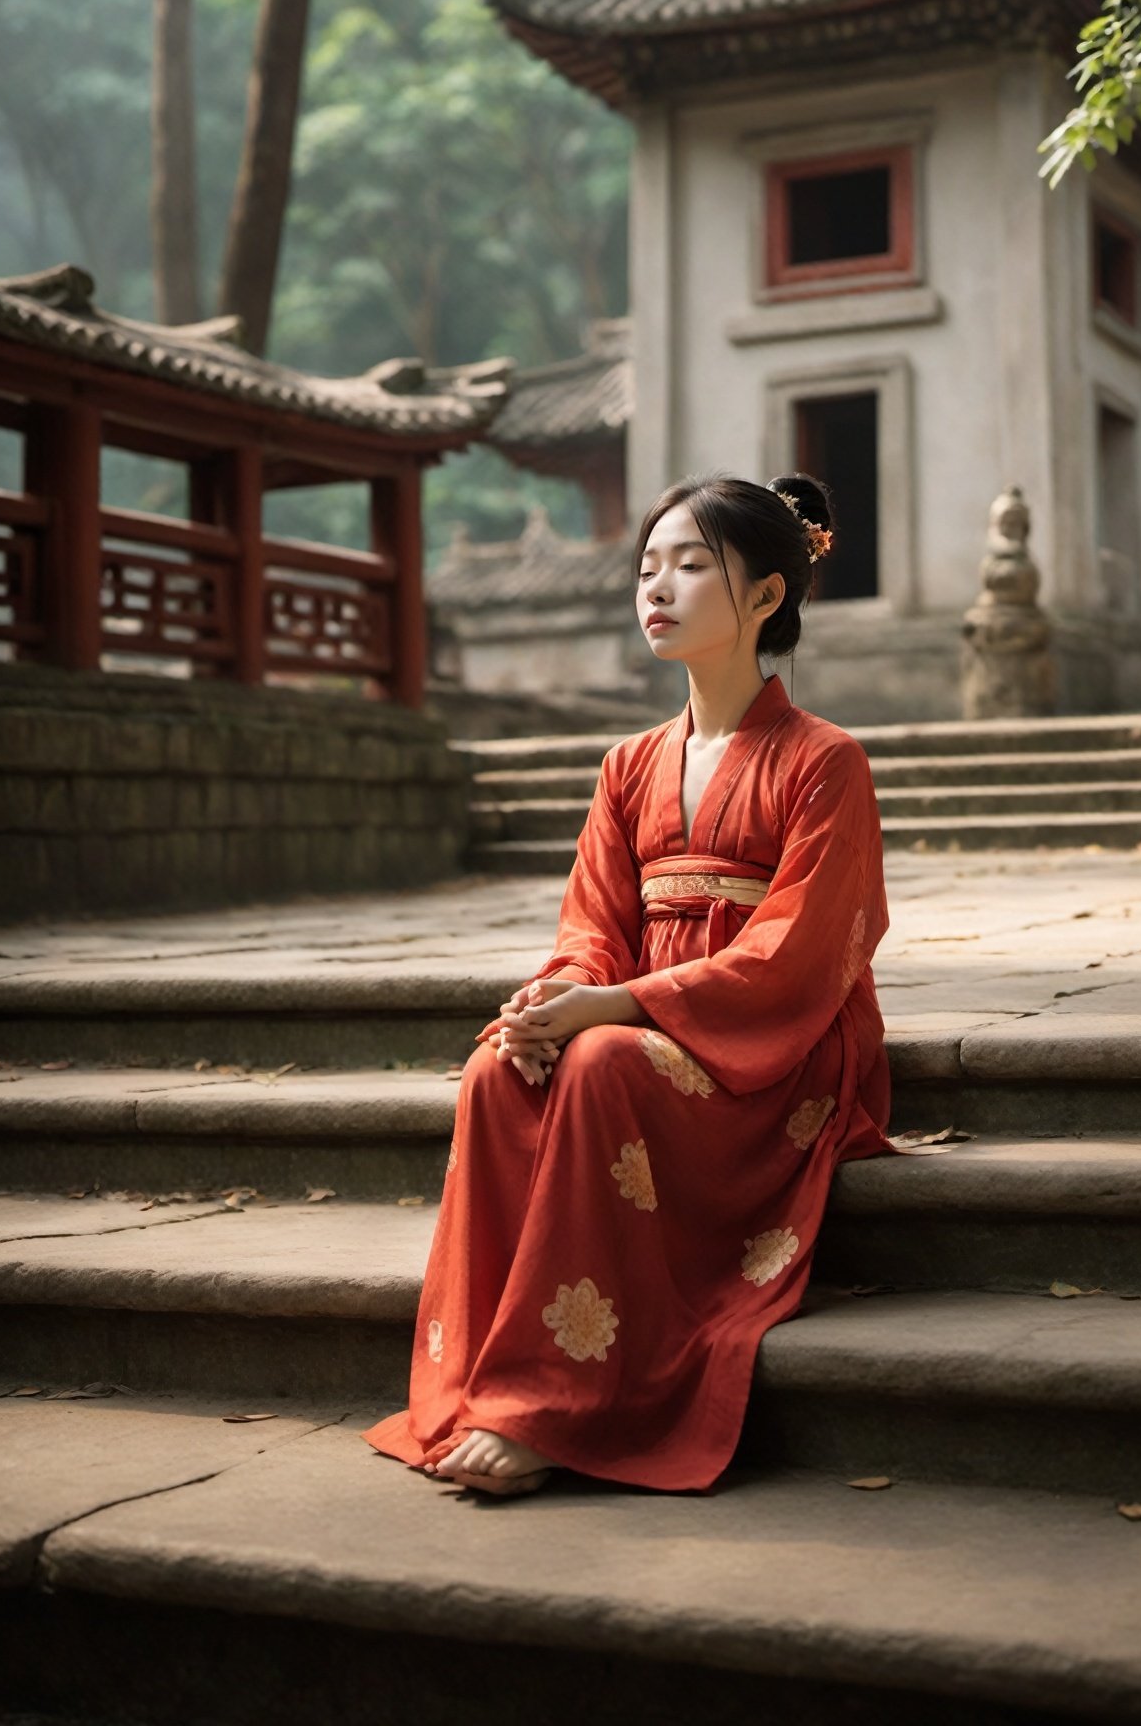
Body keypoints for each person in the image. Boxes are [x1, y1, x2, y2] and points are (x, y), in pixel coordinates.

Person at [363, 472, 891, 1497]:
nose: (659, 588)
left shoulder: (827, 761)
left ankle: (558, 1405)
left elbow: (800, 949)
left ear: (768, 598)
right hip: (643, 1018)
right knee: (494, 1073)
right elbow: (592, 926)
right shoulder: (626, 765)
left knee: (601, 1062)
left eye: (692, 567)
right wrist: (551, 1001)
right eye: (647, 568)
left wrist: (613, 1010)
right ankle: (481, 1378)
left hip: (771, 1045)